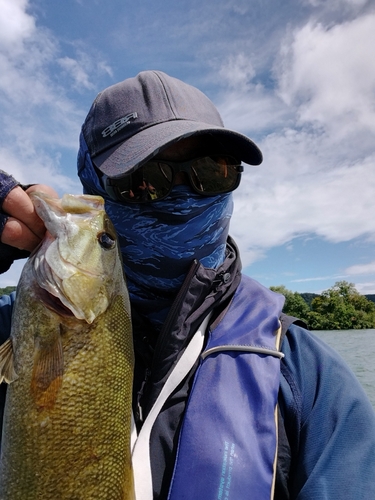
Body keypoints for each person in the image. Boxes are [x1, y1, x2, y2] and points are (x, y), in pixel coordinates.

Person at [1, 70, 375, 499]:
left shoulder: (306, 377)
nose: (184, 196)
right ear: (95, 188)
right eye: (144, 181)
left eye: (210, 173)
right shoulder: (16, 326)